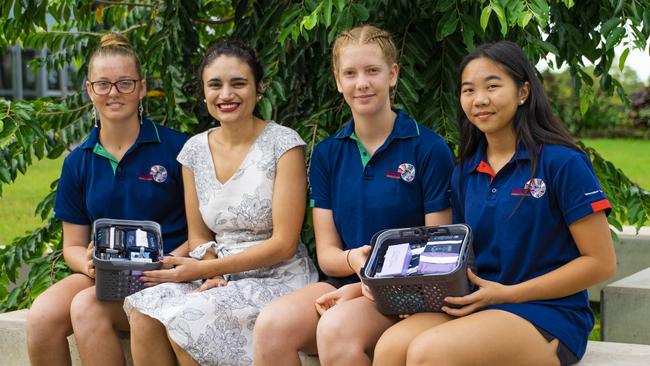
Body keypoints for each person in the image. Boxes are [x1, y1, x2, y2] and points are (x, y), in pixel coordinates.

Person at [373, 41, 617, 366]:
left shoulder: (563, 163)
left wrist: (508, 294)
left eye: (492, 86)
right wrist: (423, 292)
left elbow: (601, 263)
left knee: (428, 352)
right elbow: (463, 257)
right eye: (468, 90)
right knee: (390, 347)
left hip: (548, 312)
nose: (480, 100)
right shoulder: (465, 171)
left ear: (523, 92)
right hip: (482, 301)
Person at [253, 25, 455, 366]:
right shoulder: (328, 153)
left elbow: (438, 257)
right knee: (271, 326)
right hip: (344, 279)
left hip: (408, 290)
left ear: (393, 75)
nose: (361, 83)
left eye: (372, 71)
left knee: (335, 328)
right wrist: (356, 265)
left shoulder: (429, 149)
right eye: (350, 73)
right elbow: (328, 254)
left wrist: (371, 287)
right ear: (337, 81)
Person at [123, 40, 318, 366]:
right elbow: (199, 235)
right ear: (203, 92)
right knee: (145, 311)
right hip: (217, 273)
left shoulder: (284, 144)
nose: (226, 94)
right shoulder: (194, 152)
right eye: (215, 85)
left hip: (278, 278)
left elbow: (284, 244)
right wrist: (210, 272)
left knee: (191, 321)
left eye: (238, 83)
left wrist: (206, 269)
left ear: (260, 89)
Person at [25, 32, 189, 366]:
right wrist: (85, 263)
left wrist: (165, 265)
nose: (113, 93)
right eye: (103, 84)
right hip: (103, 273)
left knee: (85, 308)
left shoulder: (178, 149)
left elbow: (202, 232)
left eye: (124, 83)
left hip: (166, 272)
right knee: (41, 318)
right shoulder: (78, 161)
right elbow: (72, 244)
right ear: (89, 90)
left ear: (142, 87)